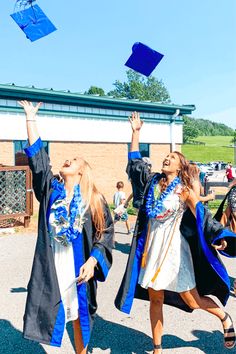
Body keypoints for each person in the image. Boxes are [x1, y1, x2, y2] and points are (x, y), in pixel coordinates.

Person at [115, 112, 236, 353]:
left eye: (172, 157)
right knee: (155, 299)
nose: (167, 159)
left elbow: (203, 216)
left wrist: (219, 237)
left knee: (191, 299)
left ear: (180, 166)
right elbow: (136, 165)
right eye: (166, 156)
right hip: (153, 250)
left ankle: (224, 317)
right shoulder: (152, 184)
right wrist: (136, 133)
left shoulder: (184, 190)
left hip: (175, 252)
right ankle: (157, 348)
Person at [19, 101, 114, 354]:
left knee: (78, 318)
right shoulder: (51, 191)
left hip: (79, 263)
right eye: (67, 158)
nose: (67, 160)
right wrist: (30, 119)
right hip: (52, 264)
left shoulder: (94, 200)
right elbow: (38, 161)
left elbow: (104, 234)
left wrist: (94, 261)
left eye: (73, 160)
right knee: (52, 313)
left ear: (82, 172)